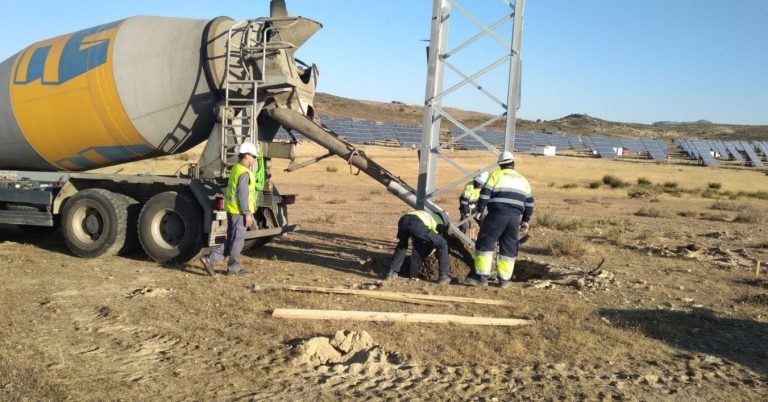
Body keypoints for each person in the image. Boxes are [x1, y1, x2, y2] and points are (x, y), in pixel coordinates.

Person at [466, 151, 534, 288]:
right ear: (513, 164)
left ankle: (482, 278)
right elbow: (530, 202)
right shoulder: (523, 180)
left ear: (500, 164)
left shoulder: (495, 175)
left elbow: (485, 194)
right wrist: (525, 219)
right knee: (508, 248)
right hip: (514, 218)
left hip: (496, 215)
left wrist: (479, 210)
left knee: (485, 243)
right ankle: (504, 280)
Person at [201, 141, 260, 276]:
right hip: (238, 212)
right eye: (253, 156)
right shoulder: (244, 173)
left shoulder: (236, 168)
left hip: (233, 210)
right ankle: (231, 267)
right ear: (246, 156)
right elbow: (243, 195)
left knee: (233, 239)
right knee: (237, 241)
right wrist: (247, 213)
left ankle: (212, 259)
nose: (255, 159)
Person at [384, 209, 452, 285]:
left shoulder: (429, 215)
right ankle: (444, 276)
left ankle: (392, 272)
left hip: (403, 220)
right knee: (442, 243)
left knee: (403, 245)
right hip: (416, 223)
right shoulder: (439, 222)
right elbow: (436, 242)